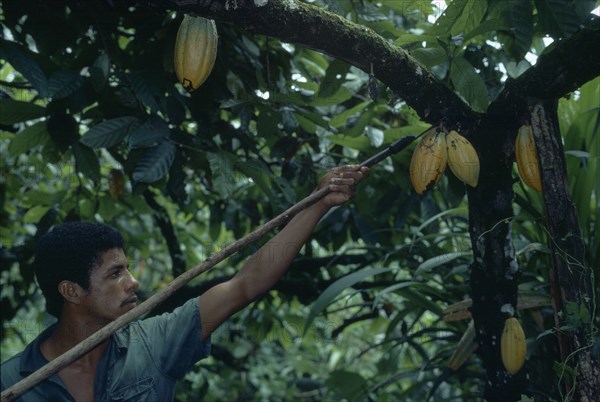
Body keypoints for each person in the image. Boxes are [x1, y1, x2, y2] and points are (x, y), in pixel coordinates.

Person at [0, 165, 369, 402]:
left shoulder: (155, 342)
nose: (133, 282)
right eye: (115, 274)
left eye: (127, 269)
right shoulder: (12, 381)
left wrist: (317, 205)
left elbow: (246, 283)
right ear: (71, 291)